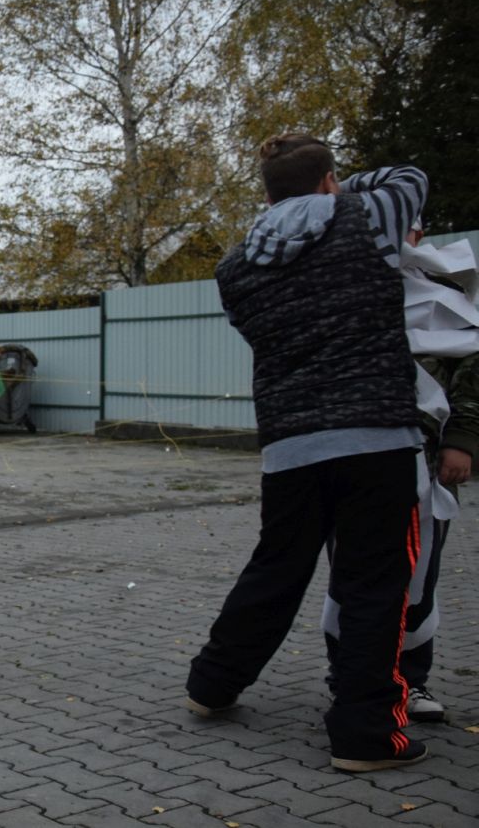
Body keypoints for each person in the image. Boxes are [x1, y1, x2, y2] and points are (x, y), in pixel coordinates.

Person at [186, 134, 430, 772]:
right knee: (374, 585)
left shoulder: (235, 267)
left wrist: (309, 187)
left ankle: (212, 684)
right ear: (328, 179)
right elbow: (409, 176)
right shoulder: (367, 216)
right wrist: (342, 186)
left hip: (290, 443)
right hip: (375, 437)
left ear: (267, 195)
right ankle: (366, 734)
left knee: (278, 567)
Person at [321, 218, 479, 723]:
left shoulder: (445, 297)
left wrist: (461, 442)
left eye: (403, 228)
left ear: (418, 235)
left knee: (419, 577)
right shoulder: (339, 291)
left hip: (424, 466)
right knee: (352, 576)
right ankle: (349, 677)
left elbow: (470, 376)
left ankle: (411, 680)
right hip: (353, 462)